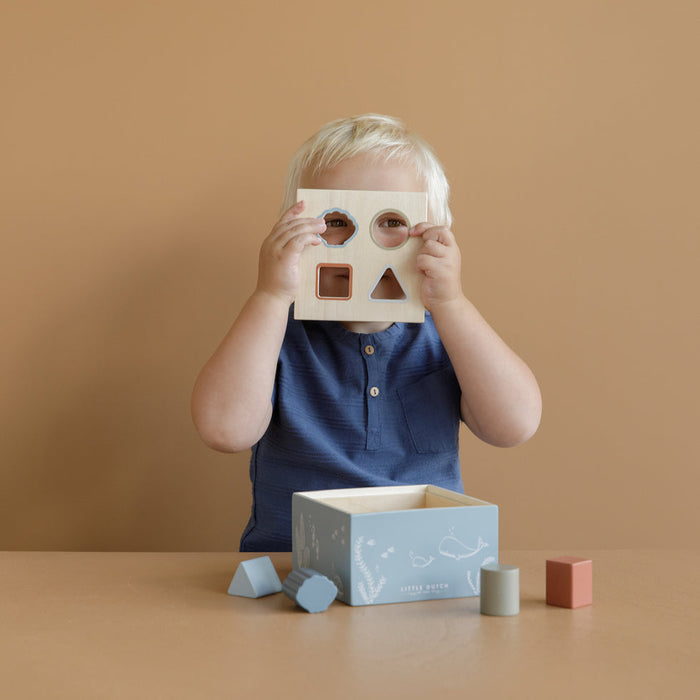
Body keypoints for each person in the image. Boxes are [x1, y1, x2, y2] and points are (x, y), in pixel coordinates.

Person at [191, 114, 542, 551]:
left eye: (392, 222)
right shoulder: (275, 332)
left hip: (420, 570)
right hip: (295, 565)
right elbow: (224, 430)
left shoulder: (448, 336)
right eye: (337, 220)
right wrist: (270, 295)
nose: (364, 243)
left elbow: (515, 425)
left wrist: (452, 304)